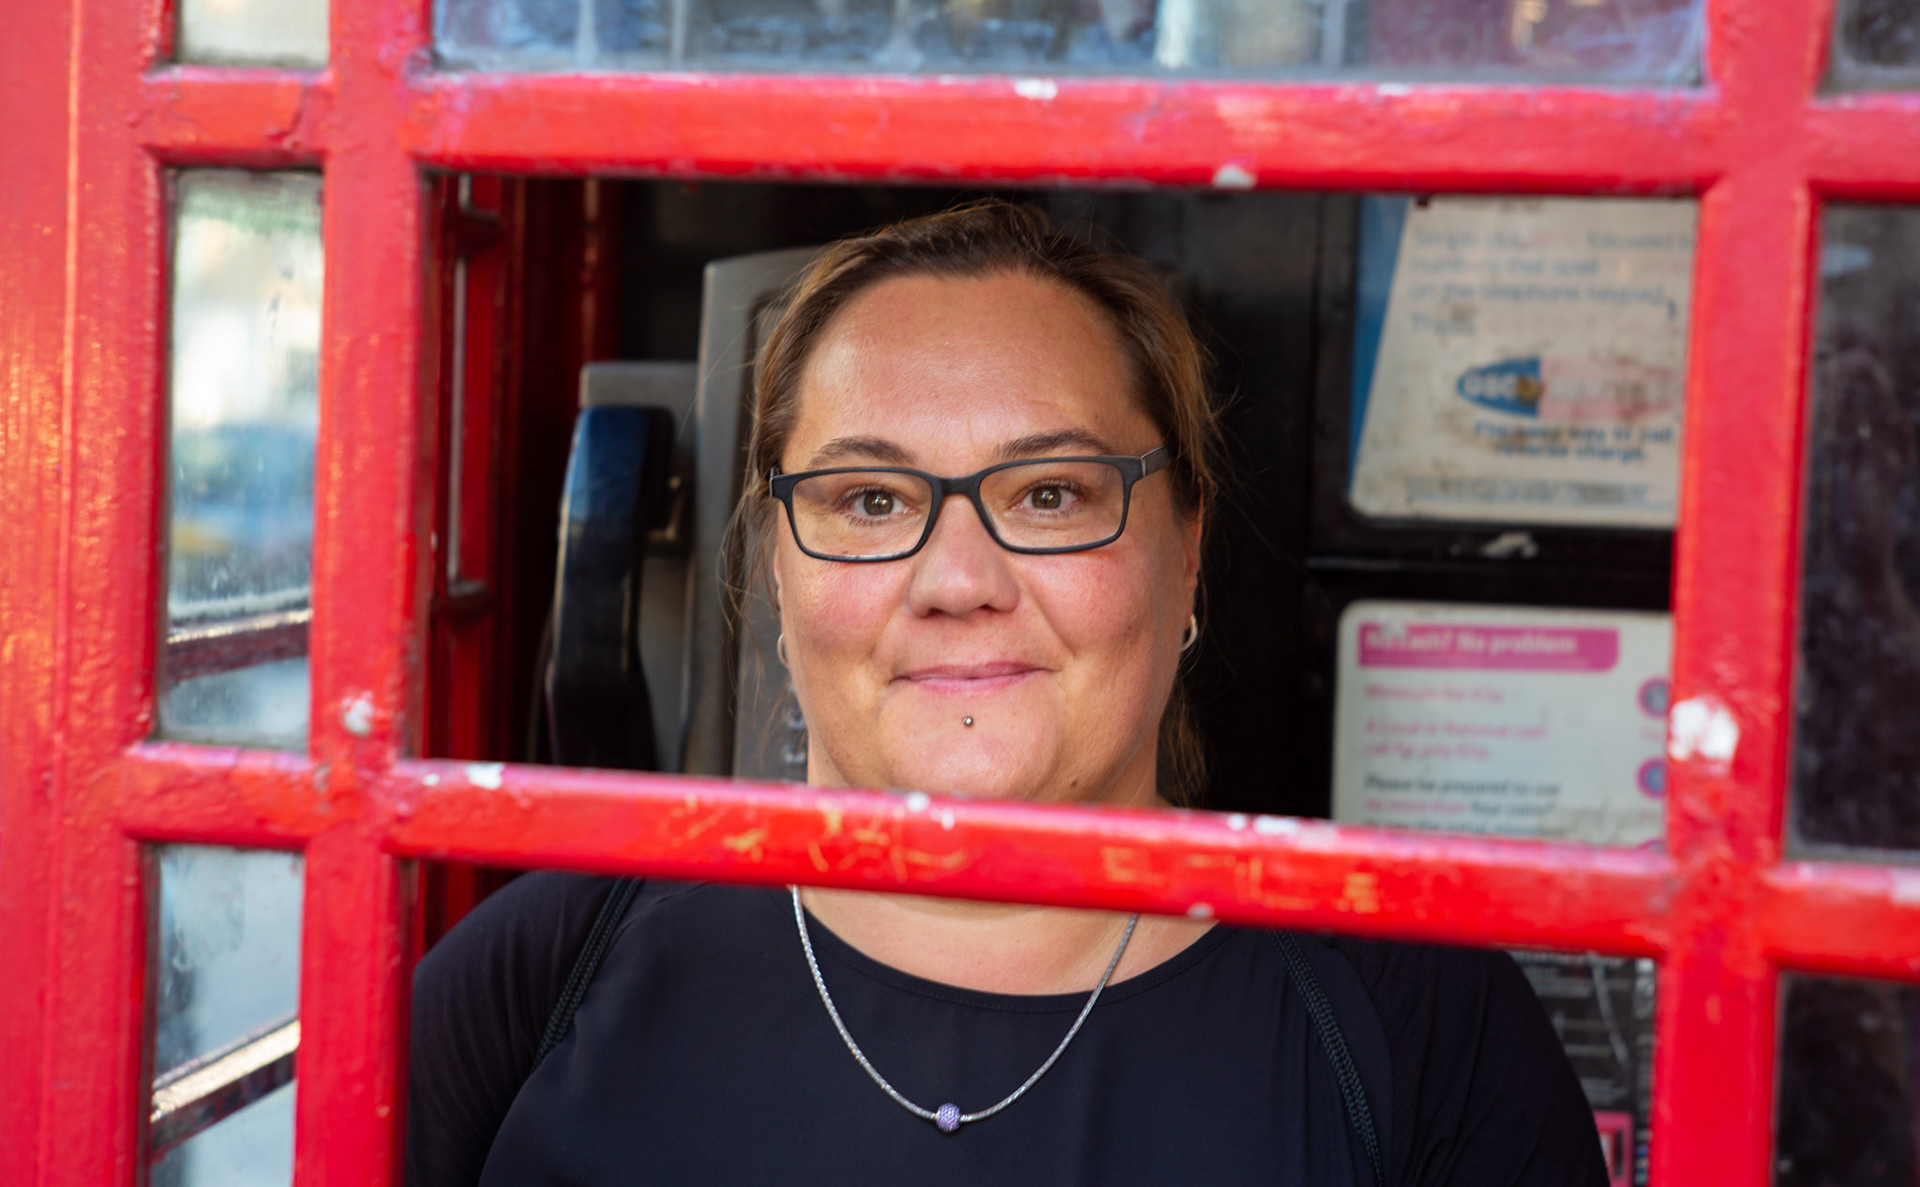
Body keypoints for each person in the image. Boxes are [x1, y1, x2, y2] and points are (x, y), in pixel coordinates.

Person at [406, 202, 1607, 1186]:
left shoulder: (1421, 1024)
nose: (958, 579)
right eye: (870, 500)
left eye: (1049, 494)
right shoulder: (541, 970)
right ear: (777, 560)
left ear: (1185, 551)